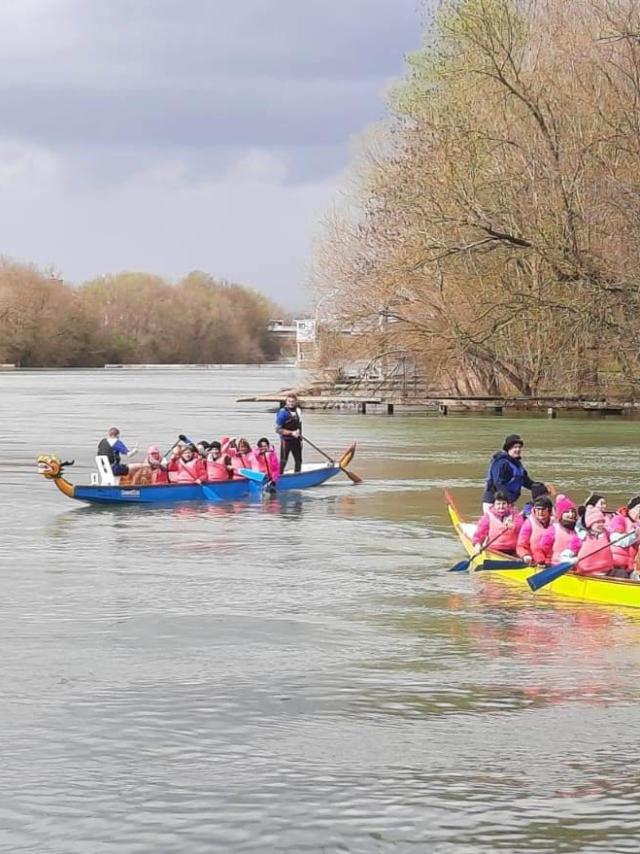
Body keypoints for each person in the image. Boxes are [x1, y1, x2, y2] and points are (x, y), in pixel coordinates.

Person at [482, 434, 543, 512]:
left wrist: (541, 487)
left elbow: (526, 482)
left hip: (507, 502)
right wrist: (508, 500)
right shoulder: (500, 462)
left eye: (519, 447)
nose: (518, 449)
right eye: (515, 447)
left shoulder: (517, 464)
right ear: (508, 448)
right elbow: (498, 483)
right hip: (494, 502)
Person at [472, 490, 523, 556]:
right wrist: (477, 544)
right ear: (494, 505)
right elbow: (480, 533)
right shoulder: (488, 516)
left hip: (513, 549)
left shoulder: (515, 515)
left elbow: (521, 528)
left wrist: (514, 526)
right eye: (498, 504)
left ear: (508, 504)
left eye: (504, 503)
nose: (501, 506)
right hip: (494, 549)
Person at [575, 506, 620, 577]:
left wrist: (635, 534)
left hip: (606, 571)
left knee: (622, 574)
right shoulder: (582, 536)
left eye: (602, 522)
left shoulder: (607, 533)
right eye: (598, 522)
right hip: (587, 573)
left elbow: (619, 539)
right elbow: (570, 552)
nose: (601, 525)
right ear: (590, 524)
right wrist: (571, 559)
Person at [538, 494, 582, 564]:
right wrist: (547, 560)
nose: (571, 514)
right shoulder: (554, 529)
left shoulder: (575, 531)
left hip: (571, 564)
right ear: (560, 514)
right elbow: (544, 547)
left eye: (573, 512)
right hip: (555, 564)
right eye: (567, 512)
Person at [607, 496, 640, 573]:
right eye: (638, 507)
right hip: (615, 564)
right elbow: (618, 541)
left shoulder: (638, 524)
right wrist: (635, 535)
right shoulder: (619, 519)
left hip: (631, 566)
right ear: (630, 508)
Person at [517, 496, 553, 564]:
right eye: (538, 509)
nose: (540, 512)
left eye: (543, 509)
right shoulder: (528, 523)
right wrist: (525, 555)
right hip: (534, 560)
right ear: (534, 510)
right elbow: (521, 545)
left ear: (549, 510)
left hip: (552, 561)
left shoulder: (555, 524)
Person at [276, 393, 302, 474]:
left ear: (296, 402)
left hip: (297, 440)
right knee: (283, 460)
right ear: (286, 402)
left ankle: (297, 476)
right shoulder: (282, 413)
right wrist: (291, 433)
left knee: (298, 460)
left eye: (293, 401)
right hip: (286, 440)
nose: (291, 403)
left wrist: (300, 436)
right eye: (289, 401)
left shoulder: (298, 410)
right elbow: (278, 430)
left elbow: (299, 425)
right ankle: (278, 476)